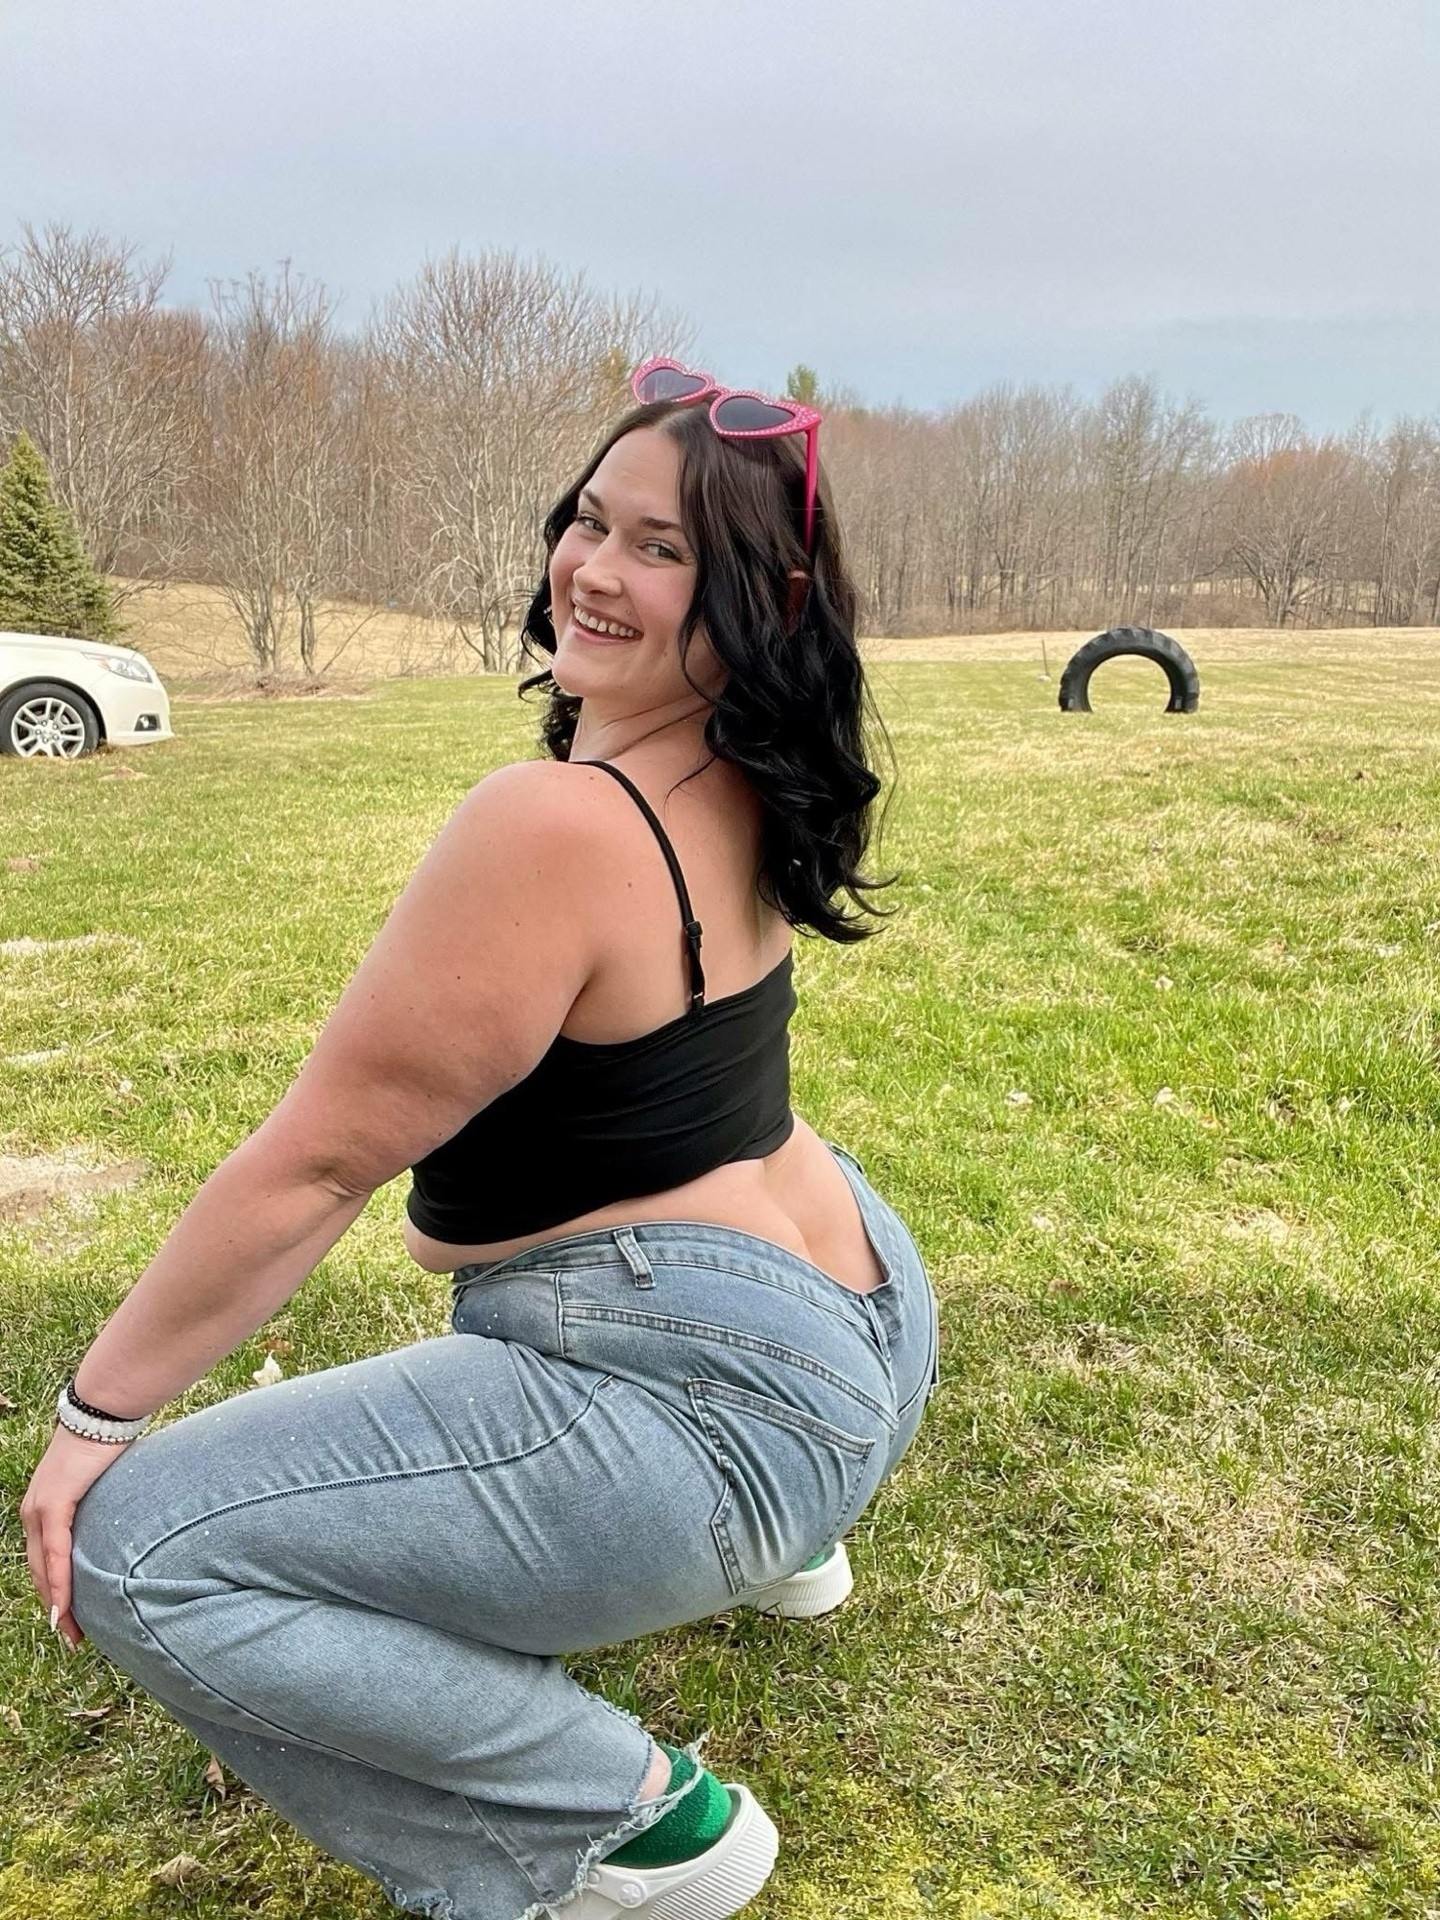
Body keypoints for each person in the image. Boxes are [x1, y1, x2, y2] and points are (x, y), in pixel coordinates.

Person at [20, 357, 942, 1920]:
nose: (593, 569)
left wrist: (95, 1416)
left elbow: (320, 1164)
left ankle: (637, 1829)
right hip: (867, 1321)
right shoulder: (747, 762)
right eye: (590, 520)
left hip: (715, 1408)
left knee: (144, 1553)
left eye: (661, 548)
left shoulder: (551, 821)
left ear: (755, 599)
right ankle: (789, 1543)